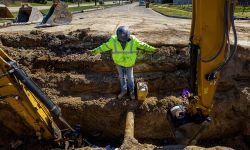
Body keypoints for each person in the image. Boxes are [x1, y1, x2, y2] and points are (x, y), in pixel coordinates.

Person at [90, 26, 156, 100]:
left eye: (125, 40)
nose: (123, 41)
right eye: (121, 40)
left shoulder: (133, 40)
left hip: (129, 64)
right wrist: (94, 51)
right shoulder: (113, 41)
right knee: (122, 78)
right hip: (119, 63)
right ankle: (124, 91)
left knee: (130, 78)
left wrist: (153, 49)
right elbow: (104, 47)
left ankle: (131, 92)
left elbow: (143, 45)